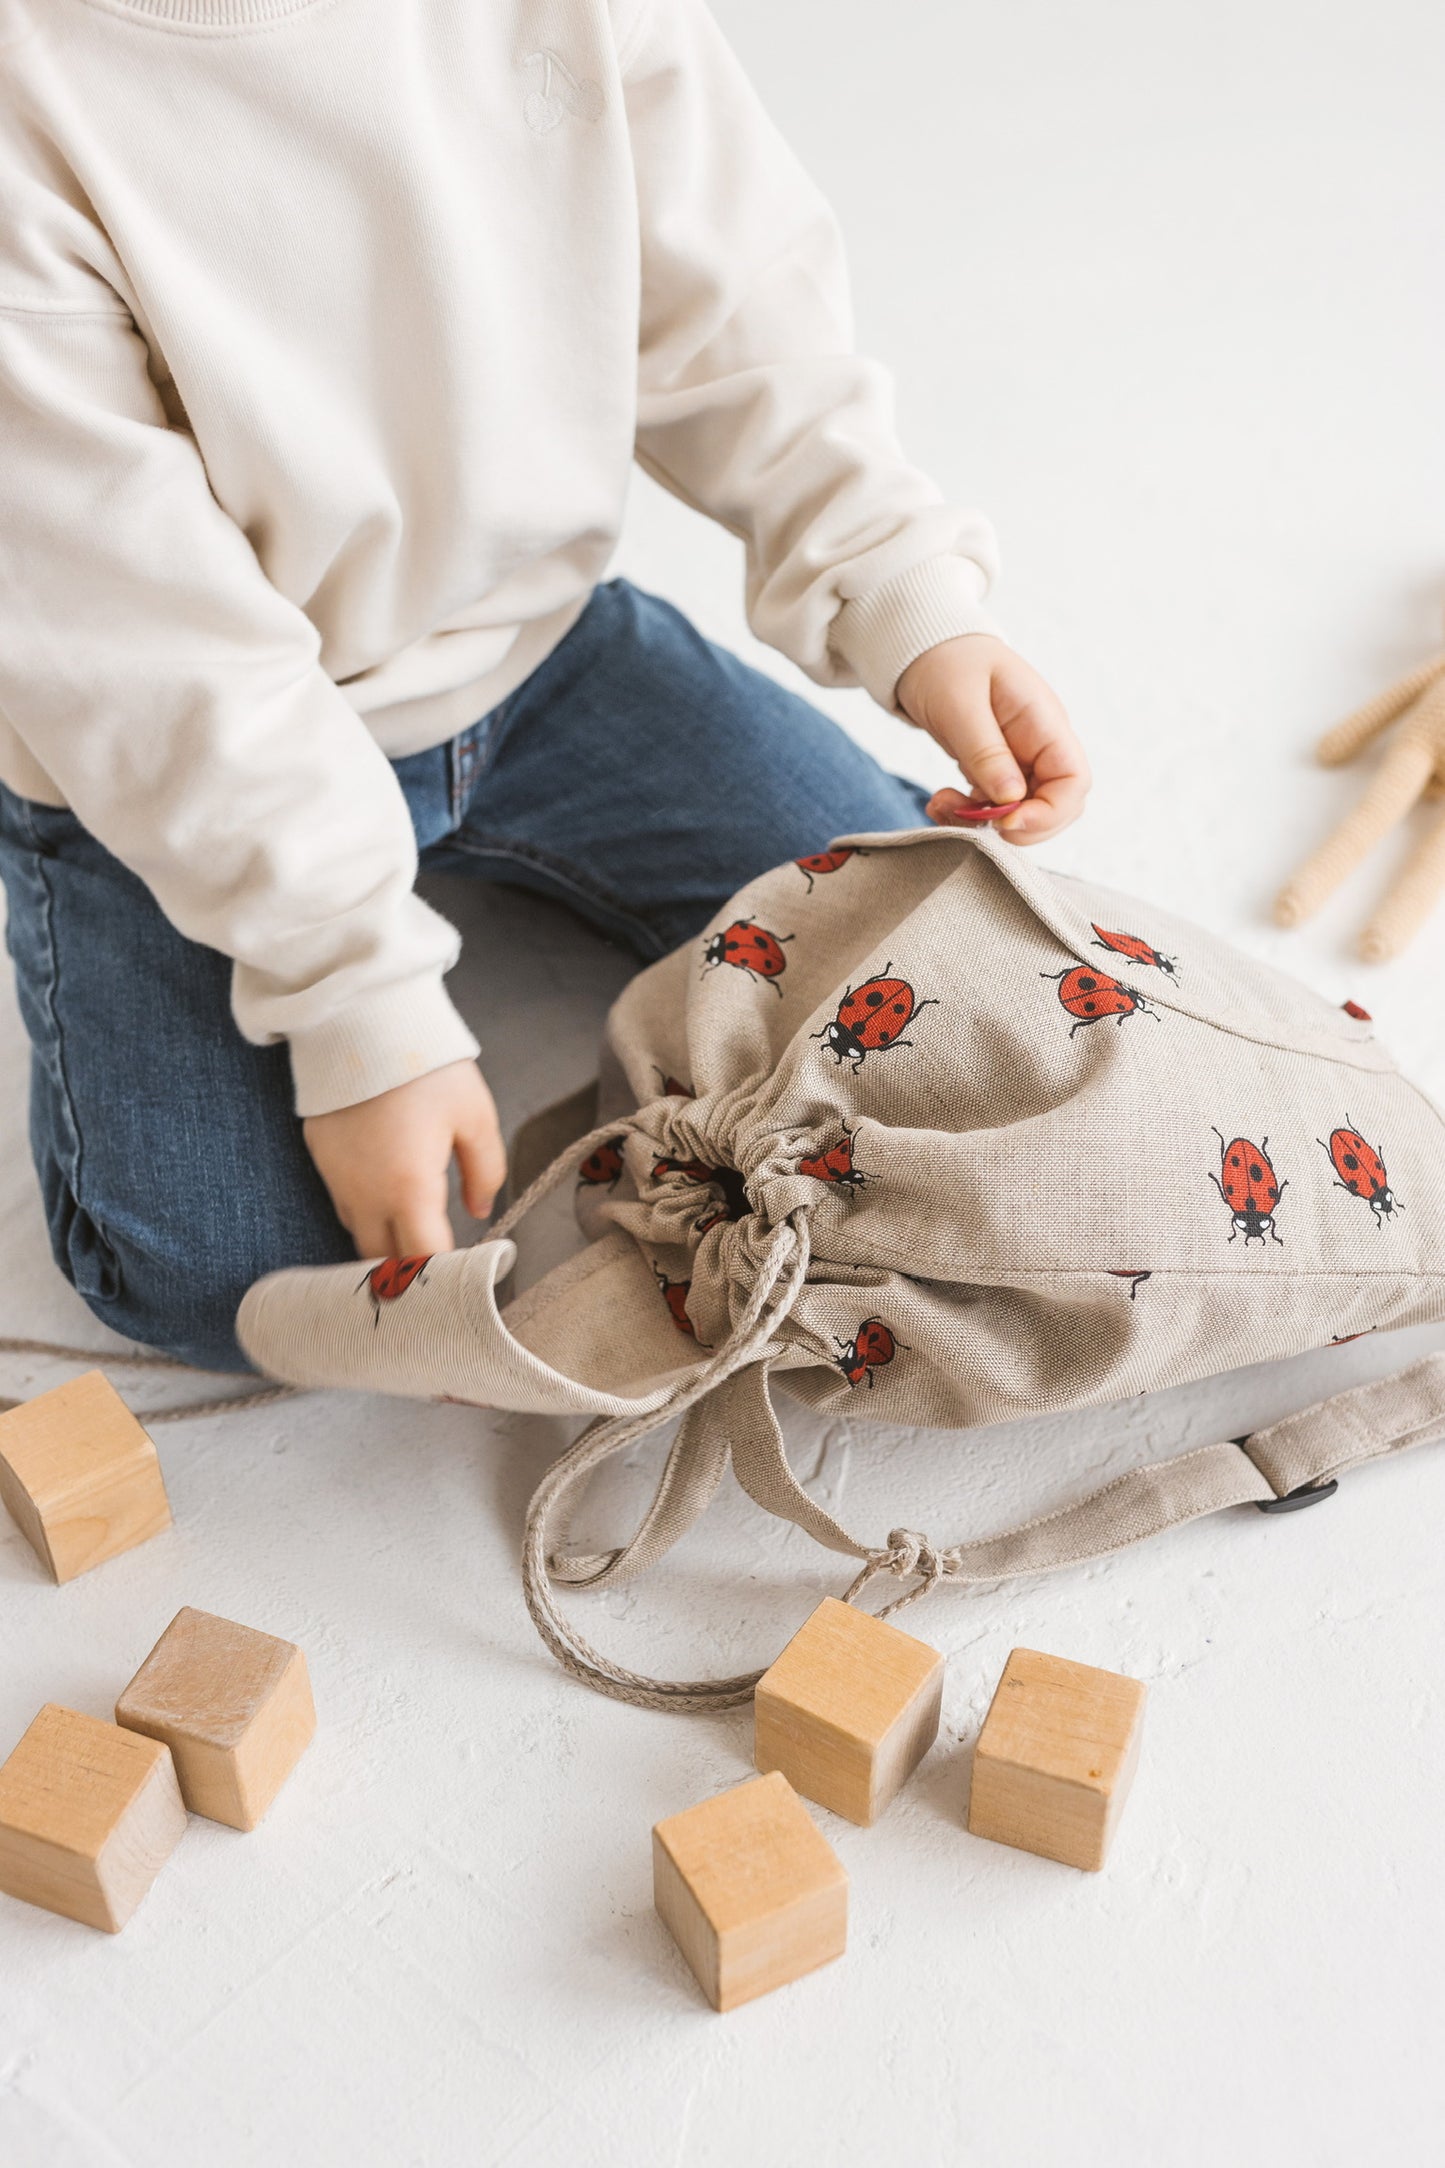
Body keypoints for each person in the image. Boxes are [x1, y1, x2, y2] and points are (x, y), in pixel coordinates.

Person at [0, 0, 1089, 1373]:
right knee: (226, 1283)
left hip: (532, 656)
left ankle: (415, 875)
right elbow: (149, 648)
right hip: (153, 750)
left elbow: (736, 305)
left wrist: (902, 593)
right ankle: (231, 902)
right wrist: (359, 1008)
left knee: (932, 967)